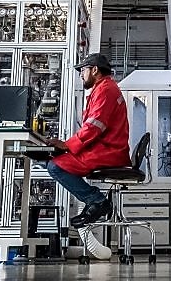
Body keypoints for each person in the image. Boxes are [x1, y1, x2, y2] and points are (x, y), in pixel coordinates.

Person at [45, 53, 130, 226]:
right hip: (106, 148)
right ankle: (94, 201)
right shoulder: (104, 88)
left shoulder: (105, 90)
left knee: (55, 166)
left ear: (95, 70)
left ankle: (97, 201)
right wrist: (67, 146)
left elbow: (93, 127)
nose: (81, 74)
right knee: (56, 161)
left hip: (108, 151)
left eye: (83, 70)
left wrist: (67, 145)